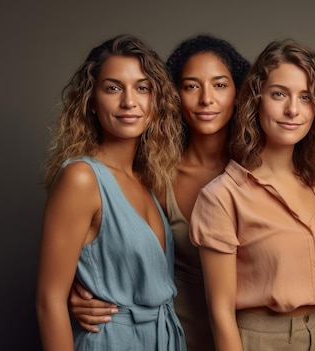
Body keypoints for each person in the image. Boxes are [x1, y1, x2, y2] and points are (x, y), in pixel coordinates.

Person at [67, 34, 251, 350]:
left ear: (239, 93)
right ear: (173, 95)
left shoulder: (260, 171)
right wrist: (79, 287)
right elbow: (113, 241)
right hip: (174, 337)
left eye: (220, 85)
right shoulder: (154, 173)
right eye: (191, 86)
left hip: (252, 338)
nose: (206, 98)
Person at [189, 39, 315, 351]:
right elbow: (220, 312)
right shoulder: (223, 197)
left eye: (306, 97)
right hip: (259, 340)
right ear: (256, 100)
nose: (292, 110)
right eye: (279, 94)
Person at [36, 34, 186, 350]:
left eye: (142, 88)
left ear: (156, 102)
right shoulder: (82, 178)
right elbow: (49, 301)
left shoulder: (147, 180)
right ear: (91, 100)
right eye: (113, 88)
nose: (129, 101)